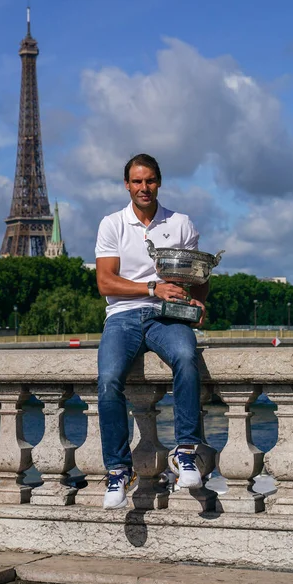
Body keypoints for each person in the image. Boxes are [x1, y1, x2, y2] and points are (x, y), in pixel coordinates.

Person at [95, 153, 208, 510]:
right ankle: (118, 470)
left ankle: (185, 450)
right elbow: (105, 282)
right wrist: (150, 288)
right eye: (137, 181)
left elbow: (199, 275)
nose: (144, 188)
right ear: (127, 185)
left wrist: (200, 302)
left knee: (187, 357)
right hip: (124, 314)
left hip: (167, 315)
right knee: (109, 378)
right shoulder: (112, 224)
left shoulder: (181, 223)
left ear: (159, 182)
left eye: (150, 181)